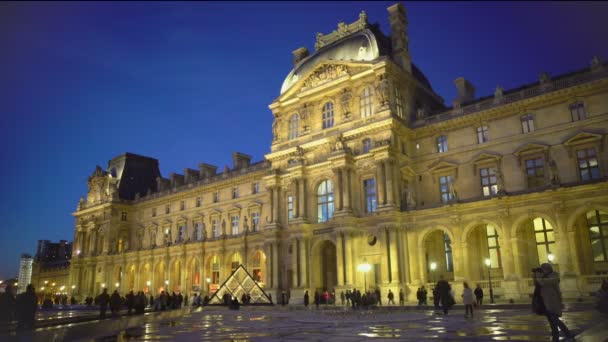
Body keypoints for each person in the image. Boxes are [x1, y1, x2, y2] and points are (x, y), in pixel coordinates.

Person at [534, 263, 574, 342]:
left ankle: (567, 334)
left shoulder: (554, 276)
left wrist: (538, 276)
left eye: (543, 268)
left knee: (555, 320)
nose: (543, 270)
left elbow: (543, 282)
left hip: (552, 301)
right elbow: (538, 285)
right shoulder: (542, 276)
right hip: (544, 302)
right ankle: (555, 338)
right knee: (552, 321)